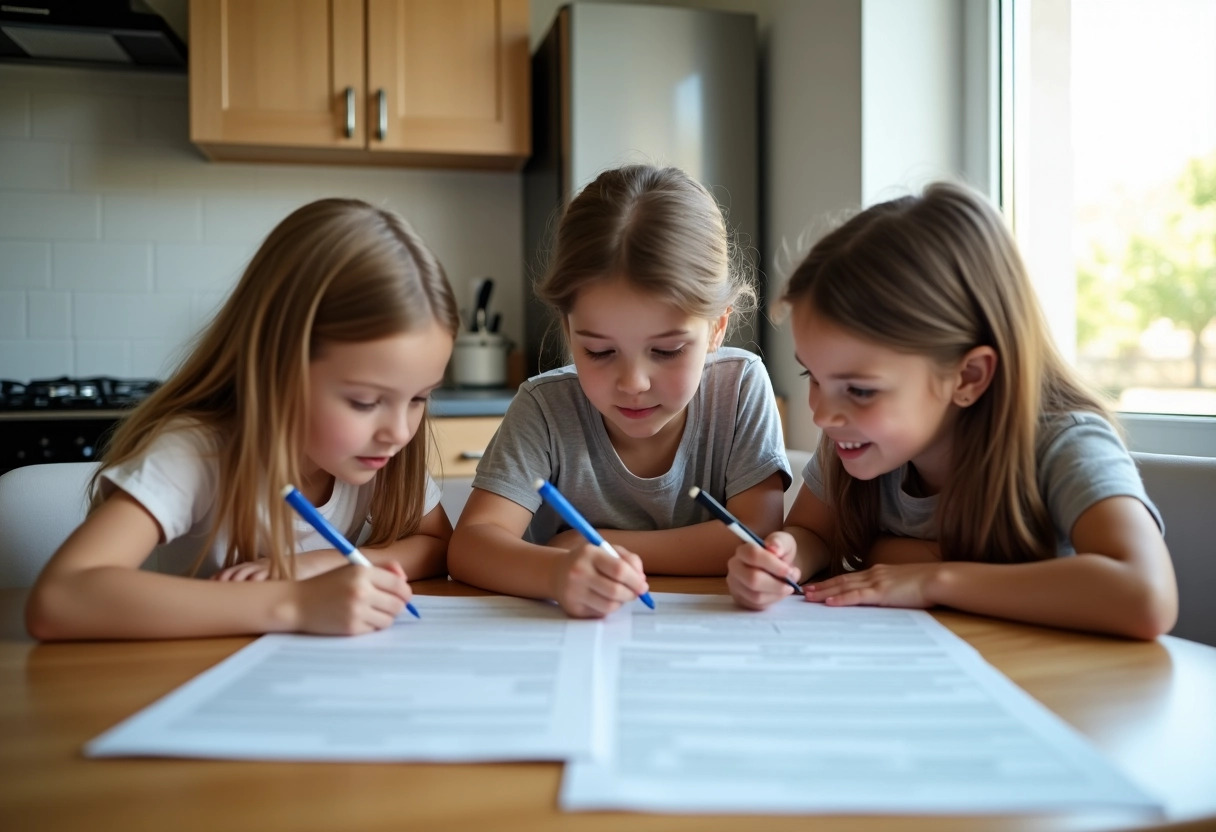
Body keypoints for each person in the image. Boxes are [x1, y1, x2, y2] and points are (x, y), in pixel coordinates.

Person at [726, 181, 1178, 639]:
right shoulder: (861, 437)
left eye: (859, 390)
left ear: (967, 377)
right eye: (813, 378)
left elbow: (1147, 596)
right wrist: (784, 555)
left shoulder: (1066, 444)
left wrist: (932, 578)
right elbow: (814, 534)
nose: (822, 414)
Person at [25, 198, 460, 640]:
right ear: (277, 365)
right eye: (365, 401)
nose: (400, 432)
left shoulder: (374, 451)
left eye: (420, 398)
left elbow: (440, 545)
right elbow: (60, 598)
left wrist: (319, 566)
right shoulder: (197, 451)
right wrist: (295, 602)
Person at [450, 165, 790, 618]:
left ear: (717, 329)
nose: (633, 383)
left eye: (667, 351)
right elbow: (471, 545)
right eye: (599, 351)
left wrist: (598, 544)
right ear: (569, 330)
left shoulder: (741, 387)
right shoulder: (545, 407)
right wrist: (554, 573)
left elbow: (754, 535)